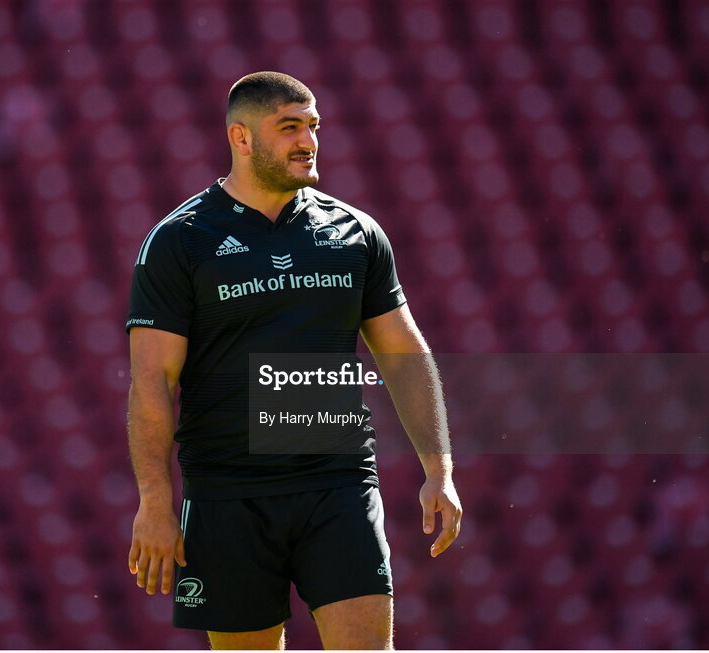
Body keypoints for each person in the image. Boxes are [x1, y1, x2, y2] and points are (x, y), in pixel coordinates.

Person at [125, 71, 461, 650]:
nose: (308, 141)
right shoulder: (180, 241)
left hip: (338, 484)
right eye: (288, 128)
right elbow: (153, 380)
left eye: (313, 126)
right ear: (241, 137)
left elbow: (404, 355)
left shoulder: (355, 233)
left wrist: (440, 470)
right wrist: (155, 501)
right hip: (227, 494)